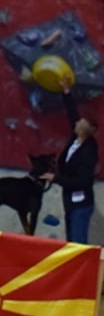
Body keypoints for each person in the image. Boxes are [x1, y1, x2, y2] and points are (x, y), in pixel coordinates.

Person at [43, 77, 98, 244]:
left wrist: (57, 179)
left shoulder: (89, 151)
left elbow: (84, 181)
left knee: (77, 244)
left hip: (81, 205)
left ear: (85, 130)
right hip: (70, 200)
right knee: (70, 242)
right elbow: (72, 113)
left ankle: (84, 270)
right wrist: (66, 92)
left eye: (80, 124)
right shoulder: (76, 138)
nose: (77, 123)